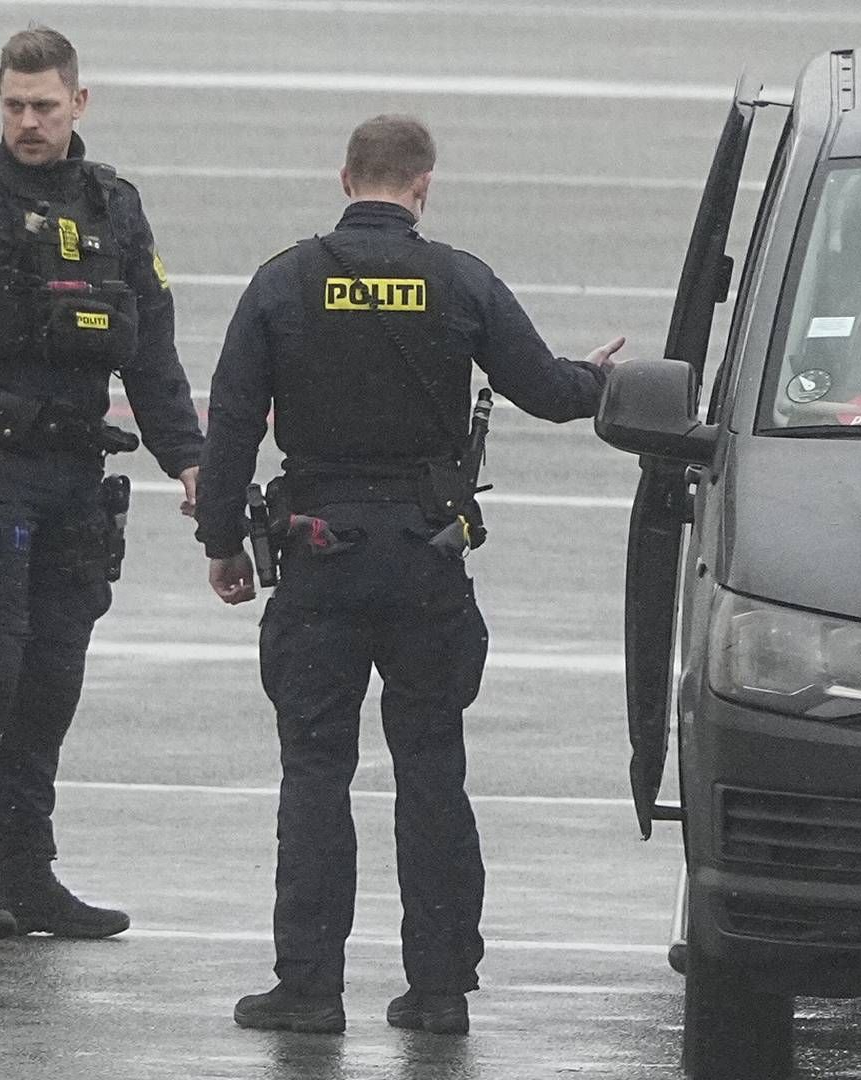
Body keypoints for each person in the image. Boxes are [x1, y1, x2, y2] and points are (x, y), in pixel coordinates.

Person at [194, 115, 624, 1034]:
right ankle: (438, 991)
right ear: (423, 185)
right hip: (427, 559)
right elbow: (546, 391)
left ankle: (308, 988)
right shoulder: (460, 279)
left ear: (344, 177)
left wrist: (224, 544)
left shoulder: (283, 281)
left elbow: (231, 423)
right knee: (432, 767)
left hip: (317, 560)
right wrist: (598, 380)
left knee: (315, 772)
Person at [0, 26, 204, 941]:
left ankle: (27, 873)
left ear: (79, 104)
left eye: (45, 106)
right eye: (14, 105)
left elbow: (154, 346)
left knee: (51, 680)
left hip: (75, 478)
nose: (27, 122)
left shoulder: (115, 207)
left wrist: (190, 458)